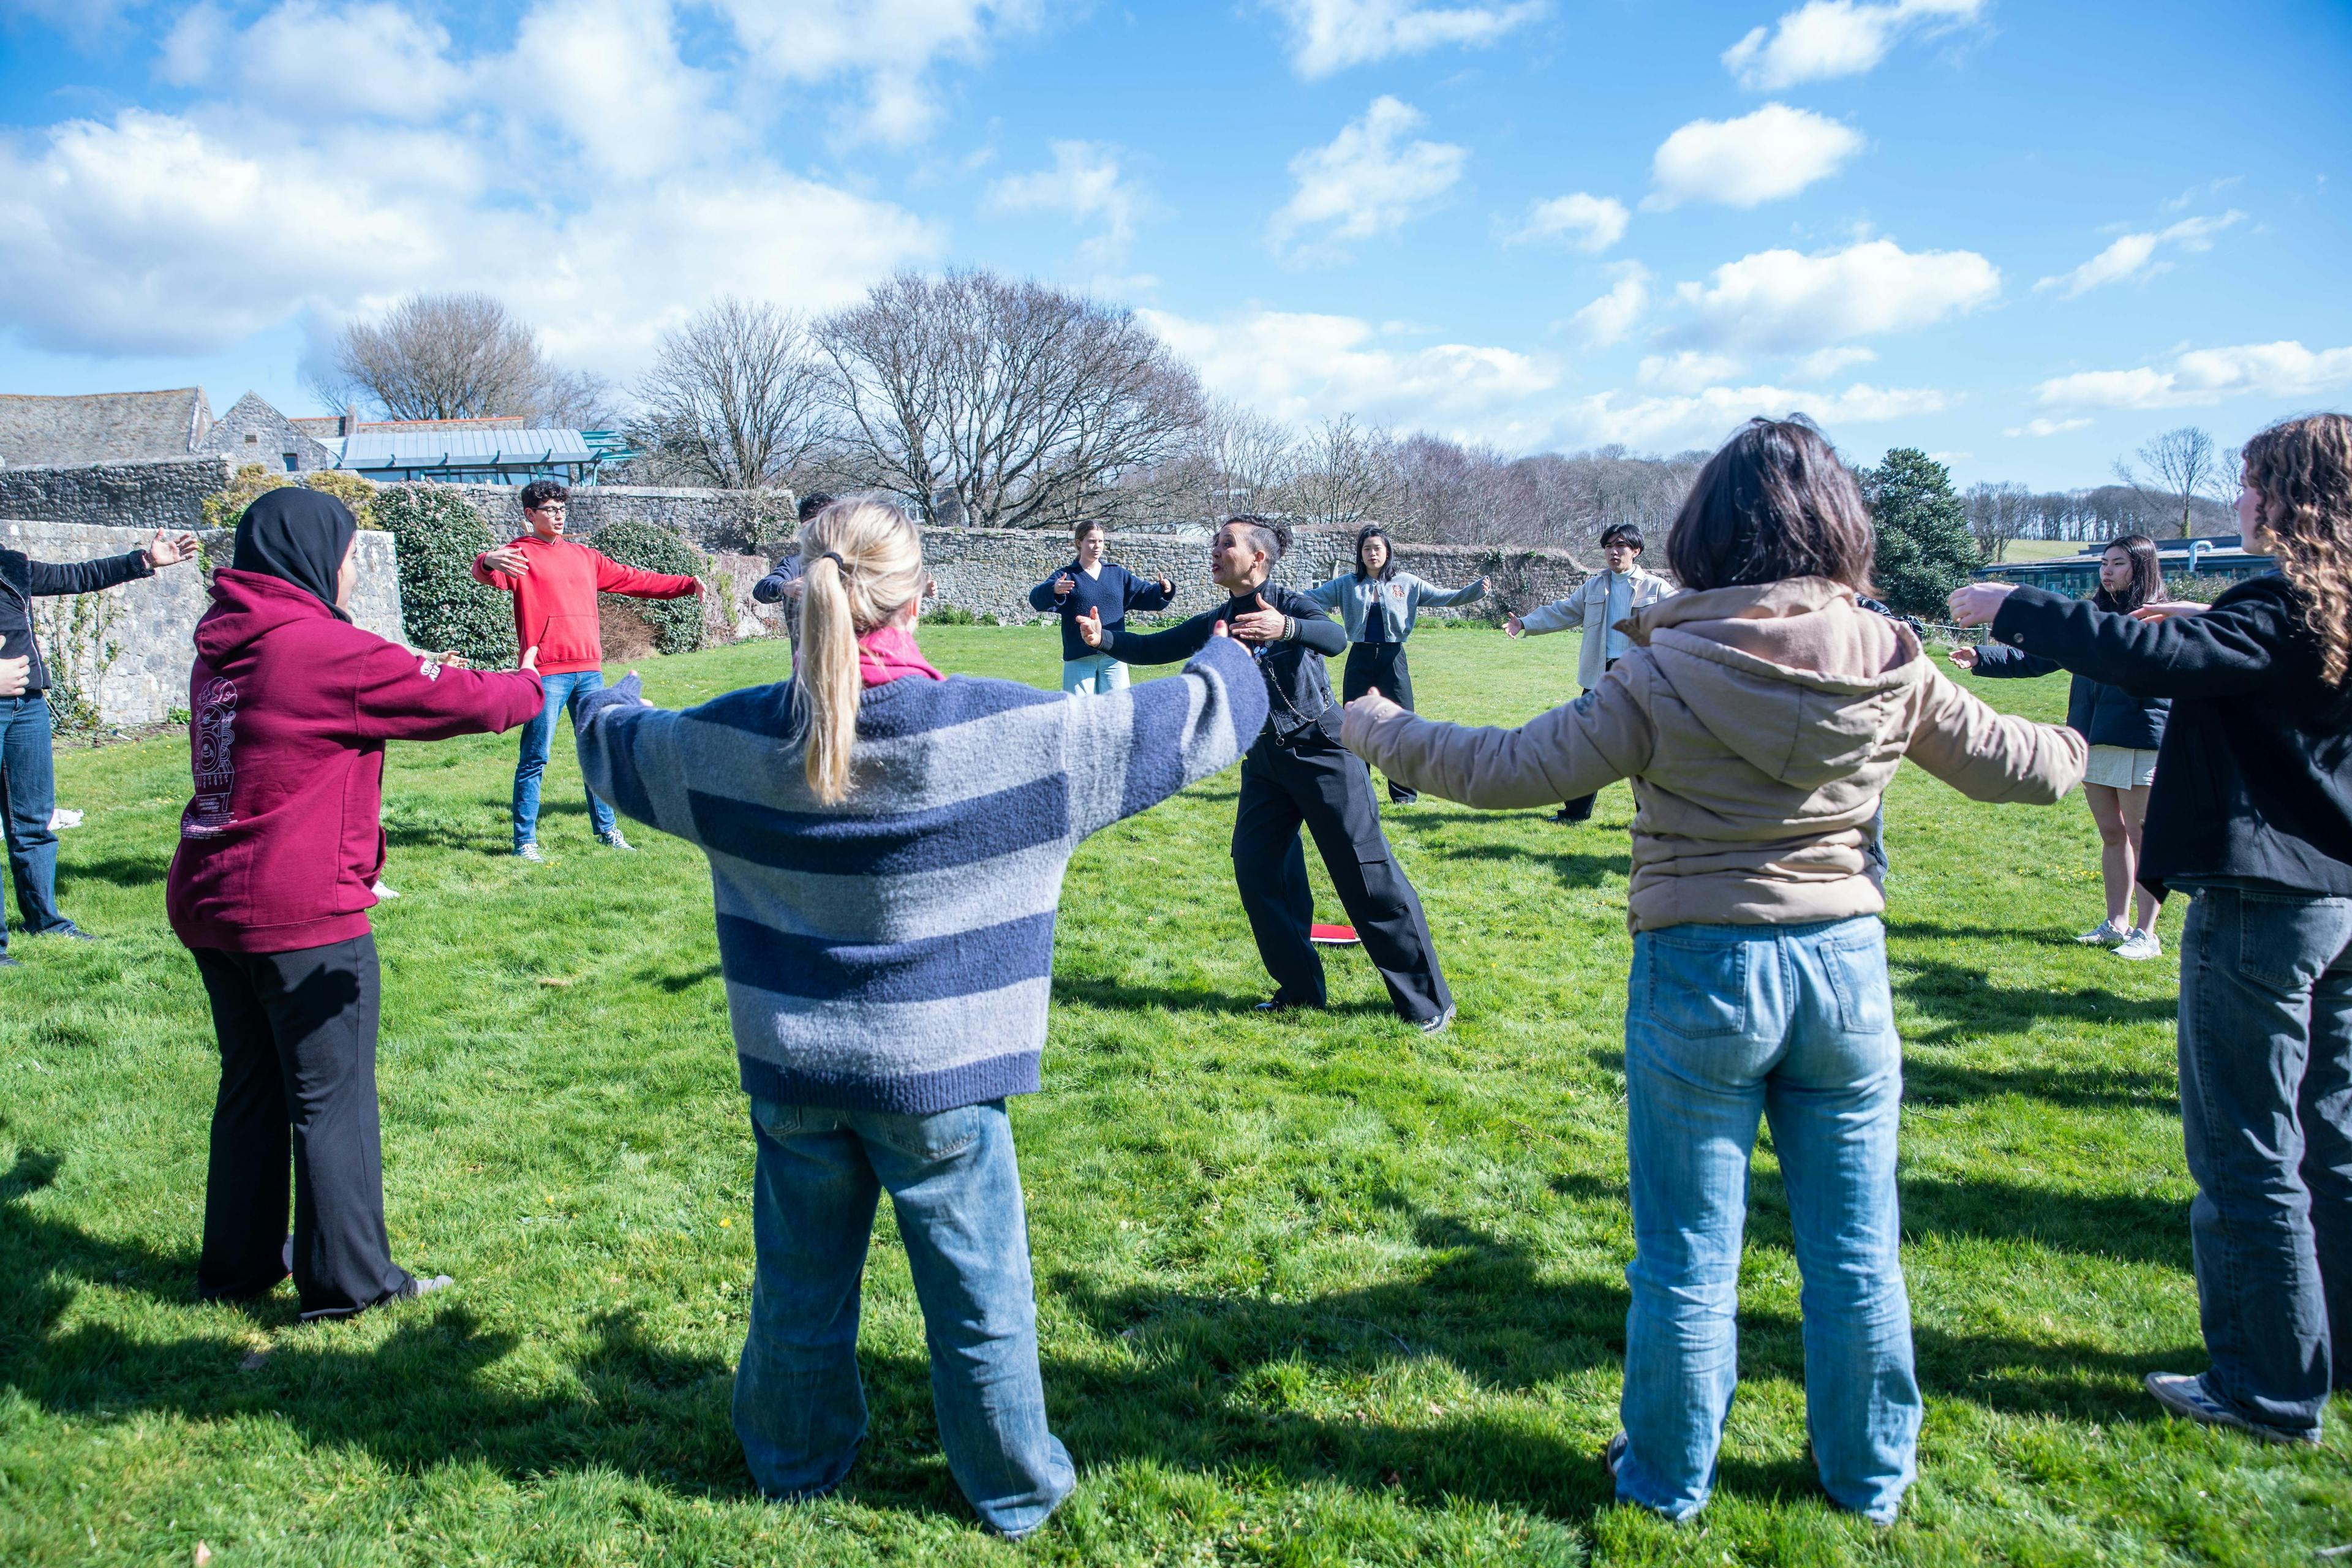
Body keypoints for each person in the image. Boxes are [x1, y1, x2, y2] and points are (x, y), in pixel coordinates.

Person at [1347, 418, 2085, 1524]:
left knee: (1690, 1256)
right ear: (1838, 523)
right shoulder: (1892, 659)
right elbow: (2026, 769)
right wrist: (2103, 734)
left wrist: (1381, 728)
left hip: (1702, 968)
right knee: (1856, 1254)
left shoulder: (1665, 668)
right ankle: (1869, 1478)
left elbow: (1509, 767)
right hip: (1846, 970)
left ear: (1707, 531)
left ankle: (1666, 1478)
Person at [571, 495, 1265, 1539]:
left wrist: (612, 697)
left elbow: (614, 746)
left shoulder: (735, 739)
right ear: (921, 593)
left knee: (798, 1292)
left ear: (796, 594)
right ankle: (1016, 1489)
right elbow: (1199, 722)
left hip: (793, 1074)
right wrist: (1235, 658)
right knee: (980, 1304)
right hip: (943, 1081)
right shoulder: (1005, 728)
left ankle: (794, 1463)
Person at [1950, 412, 2352, 1449]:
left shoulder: (2283, 607)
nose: (2239, 502)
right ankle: (2325, 1351)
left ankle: (2265, 1385)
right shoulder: (2324, 609)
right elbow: (2198, 646)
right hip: (2340, 897)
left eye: (2255, 485)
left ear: (2296, 497)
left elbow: (2142, 656)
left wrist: (2018, 606)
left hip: (2265, 903)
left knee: (2246, 1147)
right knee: (2331, 1140)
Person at [166, 489, 546, 1318]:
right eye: (341, 554)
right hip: (297, 909)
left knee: (253, 1086)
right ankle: (349, 1283)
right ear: (310, 555)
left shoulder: (224, 642)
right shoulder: (317, 649)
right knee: (329, 1097)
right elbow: (462, 699)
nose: (346, 572)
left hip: (212, 894)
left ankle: (237, 1268)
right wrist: (527, 685)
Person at [1078, 515, 1455, 1029]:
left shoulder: (1290, 602)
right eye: (1214, 541)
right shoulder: (1220, 617)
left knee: (1366, 876)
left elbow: (1334, 637)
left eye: (1226, 543)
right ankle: (1300, 991)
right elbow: (1154, 646)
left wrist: (1287, 627)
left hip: (1324, 752)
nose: (1214, 549)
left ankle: (1429, 1000)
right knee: (1258, 870)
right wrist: (1104, 641)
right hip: (1265, 763)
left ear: (1258, 558)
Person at [1950, 535, 2171, 958]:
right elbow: (2038, 656)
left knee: (2143, 837)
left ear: (2141, 567)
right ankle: (2116, 924)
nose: (2107, 571)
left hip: (2141, 737)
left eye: (2118, 563)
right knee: (2112, 834)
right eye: (2104, 563)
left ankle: (2147, 934)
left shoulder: (2157, 619)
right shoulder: (2091, 619)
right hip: (2094, 736)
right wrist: (1983, 657)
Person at [0, 524, 200, 964]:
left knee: (33, 822)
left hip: (25, 706)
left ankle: (45, 920)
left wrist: (144, 562)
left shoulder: (9, 565)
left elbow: (77, 576)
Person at [472, 478, 702, 861]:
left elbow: (634, 579)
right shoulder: (518, 554)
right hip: (545, 672)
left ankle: (608, 832)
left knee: (598, 751)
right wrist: (487, 560)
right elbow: (489, 572)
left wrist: (685, 584)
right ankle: (525, 842)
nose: (559, 516)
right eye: (550, 510)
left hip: (589, 671)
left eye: (562, 509)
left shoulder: (584, 556)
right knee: (535, 757)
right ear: (530, 515)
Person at [1303, 524, 1487, 804]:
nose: (1372, 554)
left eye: (1377, 548)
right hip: (1360, 659)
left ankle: (1403, 794)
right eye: (1367, 549)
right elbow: (1310, 597)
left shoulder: (1407, 582)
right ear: (1360, 554)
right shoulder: (1346, 584)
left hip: (1394, 659)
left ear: (1387, 552)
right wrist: (1273, 596)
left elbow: (1445, 597)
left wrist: (1475, 591)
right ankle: (1358, 788)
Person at [1505, 522, 1673, 824]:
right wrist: (1526, 623)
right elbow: (1564, 611)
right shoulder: (1595, 586)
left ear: (1636, 551)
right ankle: (1575, 813)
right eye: (1608, 546)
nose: (1613, 552)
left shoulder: (1657, 588)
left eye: (1620, 546)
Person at [1026, 519, 1177, 695]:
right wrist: (1053, 590)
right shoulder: (1067, 576)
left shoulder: (1117, 574)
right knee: (1079, 713)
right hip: (1079, 657)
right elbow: (1036, 599)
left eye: (1101, 541)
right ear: (1079, 543)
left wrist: (1165, 589)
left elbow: (1144, 594)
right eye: (1091, 541)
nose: (1097, 546)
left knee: (1118, 711)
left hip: (1115, 655)